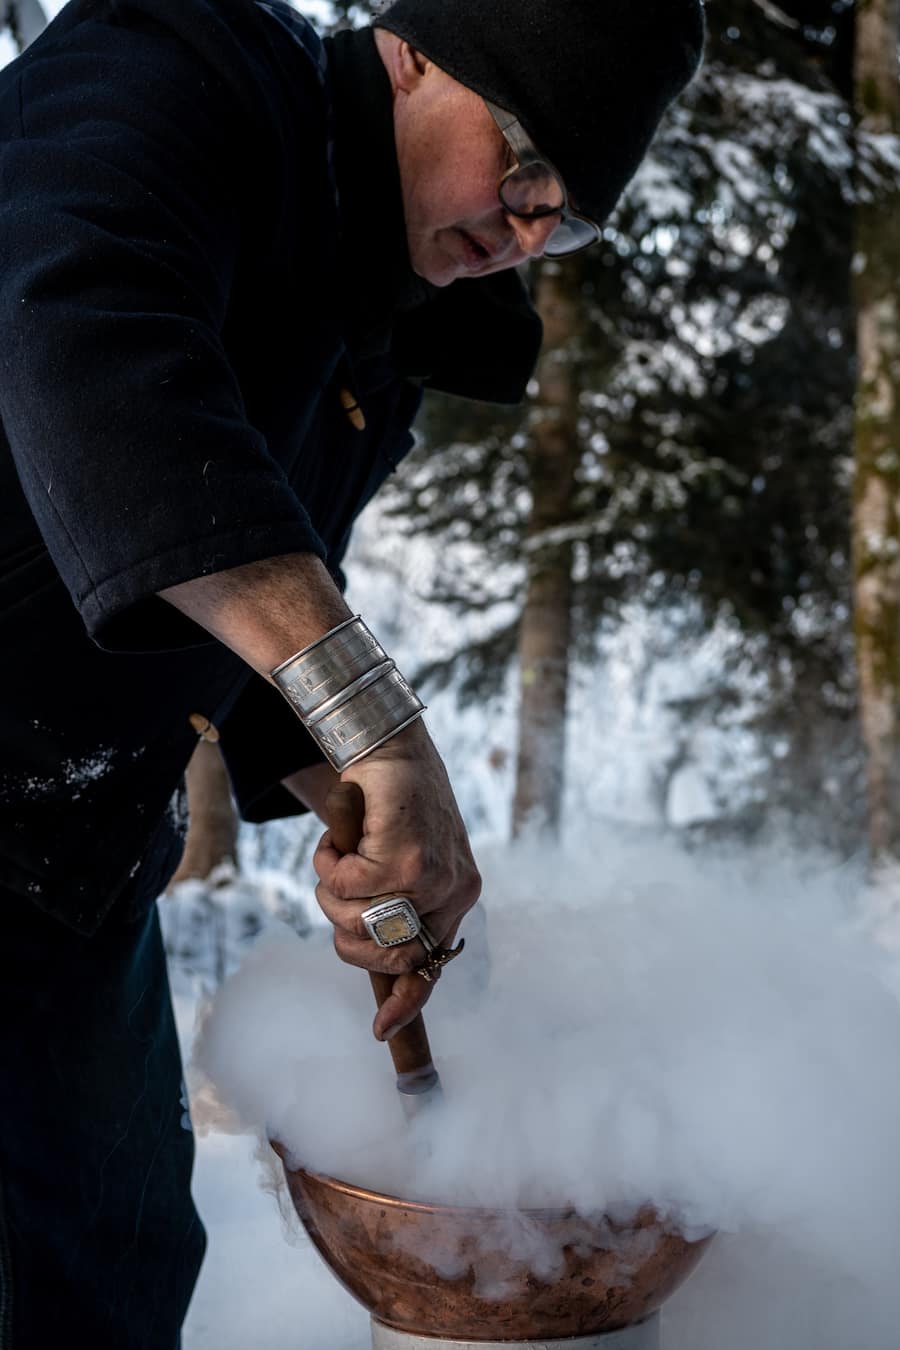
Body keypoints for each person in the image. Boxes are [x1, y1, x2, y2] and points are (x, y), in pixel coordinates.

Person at [0, 0, 704, 1342]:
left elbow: (238, 606)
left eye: (573, 214)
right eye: (529, 164)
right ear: (416, 52)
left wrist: (373, 823)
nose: (534, 228)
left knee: (115, 1270)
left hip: (67, 863)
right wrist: (377, 725)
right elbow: (80, 331)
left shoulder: (372, 343)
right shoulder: (178, 67)